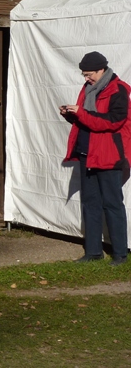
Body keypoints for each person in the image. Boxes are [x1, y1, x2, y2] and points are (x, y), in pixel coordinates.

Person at [60, 51, 131, 266]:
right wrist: (70, 115)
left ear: (102, 70)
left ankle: (120, 253)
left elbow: (112, 122)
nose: (86, 78)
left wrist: (80, 113)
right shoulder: (88, 89)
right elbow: (88, 120)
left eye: (89, 74)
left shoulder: (118, 90)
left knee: (112, 203)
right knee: (90, 203)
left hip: (108, 155)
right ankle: (93, 252)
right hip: (87, 153)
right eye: (84, 75)